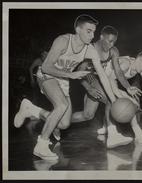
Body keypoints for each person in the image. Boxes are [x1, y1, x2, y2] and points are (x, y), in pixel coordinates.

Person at [14, 14, 116, 160]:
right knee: (61, 105)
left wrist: (113, 99)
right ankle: (41, 145)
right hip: (47, 75)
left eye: (94, 31)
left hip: (63, 80)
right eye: (88, 31)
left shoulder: (90, 50)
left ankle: (31, 109)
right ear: (77, 29)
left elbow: (103, 77)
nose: (92, 35)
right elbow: (46, 66)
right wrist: (72, 75)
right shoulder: (63, 41)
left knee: (63, 124)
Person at [71, 25, 142, 148]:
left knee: (87, 115)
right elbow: (78, 73)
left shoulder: (113, 51)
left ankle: (57, 122)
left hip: (100, 79)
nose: (111, 44)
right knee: (111, 98)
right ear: (101, 37)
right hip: (88, 78)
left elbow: (119, 72)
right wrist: (89, 88)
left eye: (114, 41)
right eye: (109, 41)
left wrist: (127, 87)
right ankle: (113, 135)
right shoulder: (89, 49)